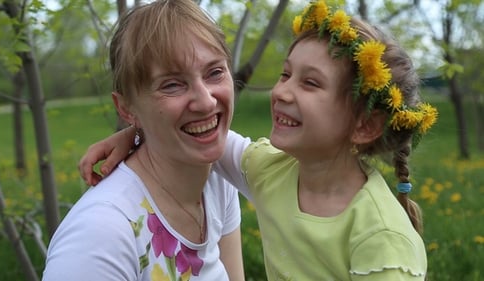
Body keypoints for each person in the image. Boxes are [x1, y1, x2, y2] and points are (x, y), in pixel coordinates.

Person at [80, 1, 438, 280]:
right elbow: (202, 133)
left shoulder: (382, 237)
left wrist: (138, 126)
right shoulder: (274, 171)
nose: (282, 91)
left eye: (310, 83)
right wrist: (136, 128)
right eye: (285, 73)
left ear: (365, 125)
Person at [42, 1, 246, 280]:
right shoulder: (101, 237)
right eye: (172, 84)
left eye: (214, 72)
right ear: (126, 108)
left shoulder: (217, 177)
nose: (206, 101)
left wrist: (141, 132)